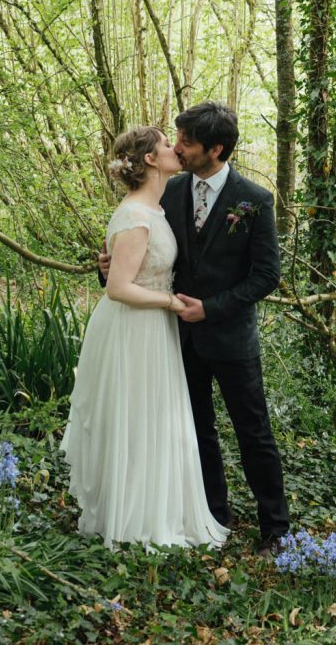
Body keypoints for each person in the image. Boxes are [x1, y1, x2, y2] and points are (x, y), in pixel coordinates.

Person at [101, 102, 290, 556]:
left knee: (254, 431)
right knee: (196, 427)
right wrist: (106, 266)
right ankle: (213, 514)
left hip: (230, 336)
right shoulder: (166, 192)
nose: (178, 147)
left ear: (216, 148)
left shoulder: (254, 200)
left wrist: (212, 308)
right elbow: (142, 260)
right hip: (175, 338)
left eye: (186, 141)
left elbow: (266, 276)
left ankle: (276, 529)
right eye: (177, 139)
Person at [60, 125, 228, 550]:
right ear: (151, 160)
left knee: (152, 420)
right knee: (135, 419)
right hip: (133, 328)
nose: (176, 148)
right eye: (167, 145)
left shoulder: (156, 208)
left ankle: (152, 507)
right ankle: (129, 516)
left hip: (152, 328)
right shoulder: (135, 214)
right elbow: (118, 287)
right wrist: (171, 302)